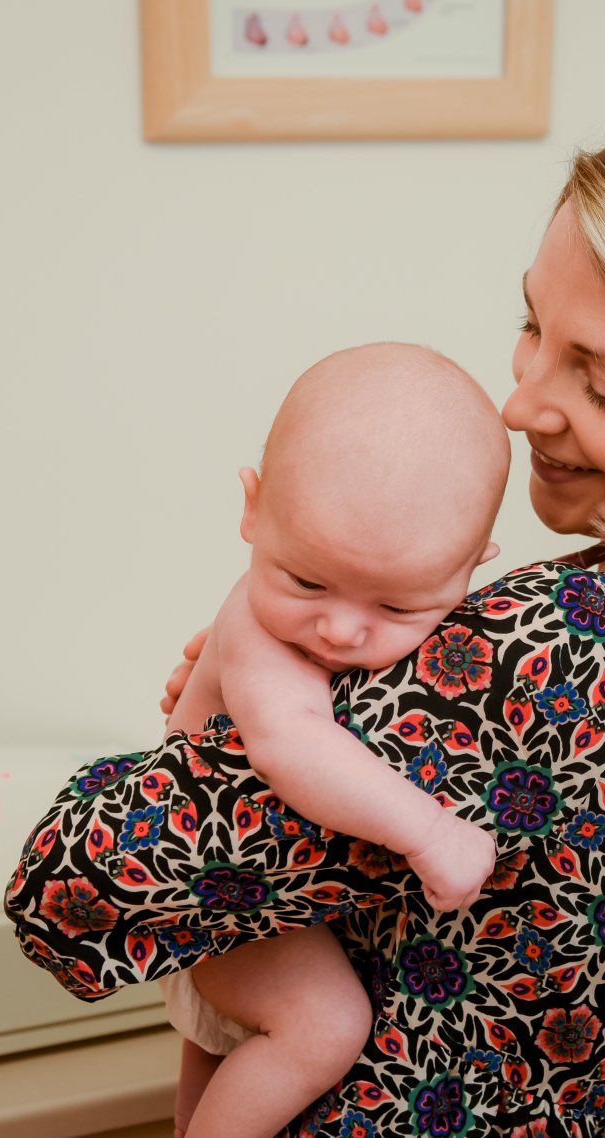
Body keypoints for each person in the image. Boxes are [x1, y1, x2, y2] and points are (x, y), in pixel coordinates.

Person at [4, 101, 605, 1138]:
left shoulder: (563, 648)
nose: (522, 402)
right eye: (536, 325)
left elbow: (79, 876)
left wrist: (239, 702)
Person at [155, 343, 509, 1136]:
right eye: (306, 581)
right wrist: (429, 830)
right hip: (216, 883)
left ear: (469, 572)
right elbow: (292, 745)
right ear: (253, 511)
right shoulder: (256, 626)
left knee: (221, 1058)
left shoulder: (388, 606)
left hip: (261, 894)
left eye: (397, 605)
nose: (342, 628)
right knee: (322, 1025)